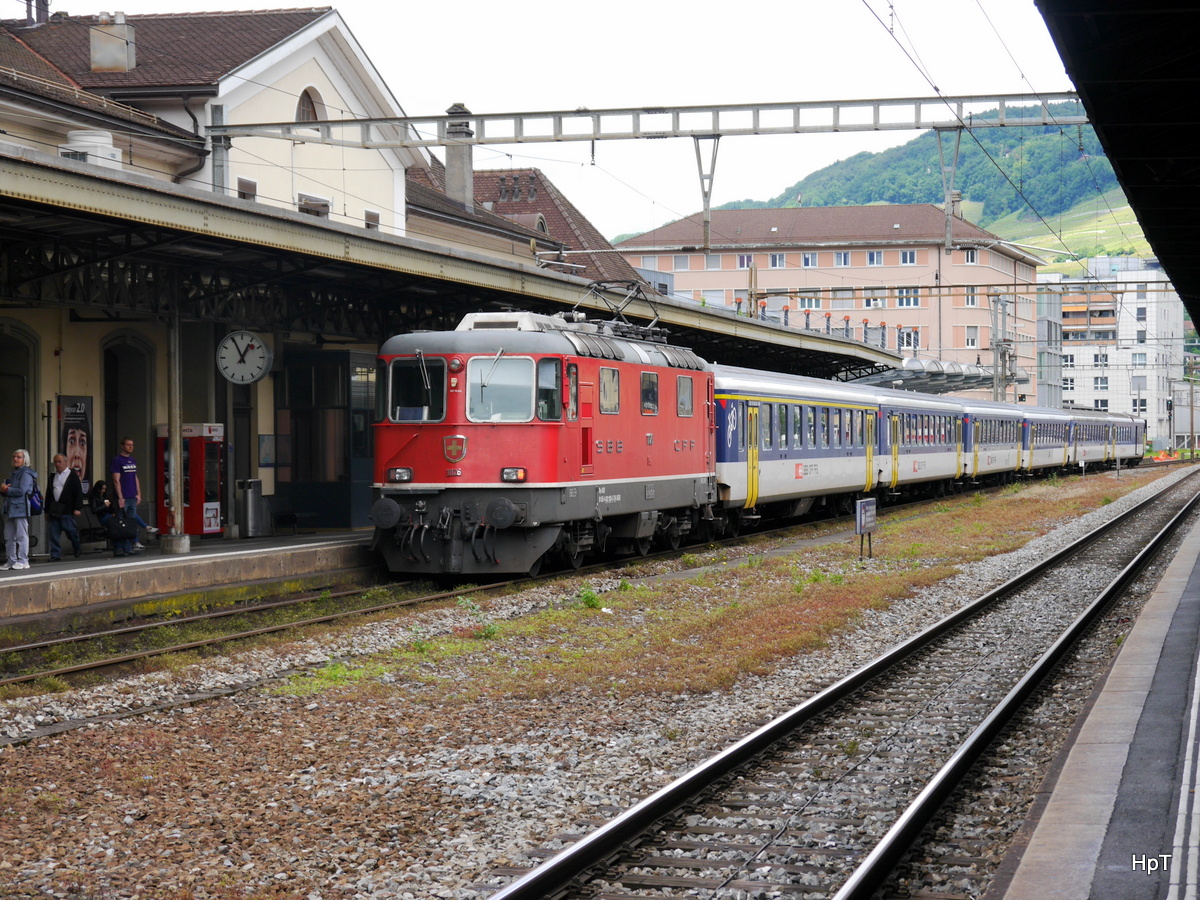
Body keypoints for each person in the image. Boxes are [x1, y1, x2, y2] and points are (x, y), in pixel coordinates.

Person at [110, 436, 158, 549]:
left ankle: (134, 543)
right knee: (123, 520)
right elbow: (116, 480)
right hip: (124, 496)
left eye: (132, 445)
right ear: (122, 446)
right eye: (128, 445)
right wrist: (120, 497)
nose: (131, 447)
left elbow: (135, 477)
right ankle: (124, 545)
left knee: (131, 521)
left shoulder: (132, 460)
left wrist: (139, 493)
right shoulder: (117, 460)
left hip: (132, 495)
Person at [1, 449, 37, 570]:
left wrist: (6, 490)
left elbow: (21, 491)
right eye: (14, 456)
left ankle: (23, 560)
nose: (15, 459)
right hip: (10, 507)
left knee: (21, 535)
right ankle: (11, 560)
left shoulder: (26, 473)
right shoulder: (14, 473)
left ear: (25, 460)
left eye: (19, 457)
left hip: (20, 507)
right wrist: (4, 490)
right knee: (8, 536)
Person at [46, 453, 84, 561]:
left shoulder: (72, 475)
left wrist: (77, 508)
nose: (57, 464)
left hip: (67, 509)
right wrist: (46, 510)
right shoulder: (52, 476)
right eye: (55, 462)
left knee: (71, 531)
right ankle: (55, 554)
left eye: (60, 461)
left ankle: (76, 546)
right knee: (54, 533)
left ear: (65, 462)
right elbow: (49, 494)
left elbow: (78, 492)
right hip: (54, 509)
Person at [90, 479, 133, 558]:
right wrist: (104, 506)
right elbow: (94, 510)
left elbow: (110, 509)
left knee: (122, 526)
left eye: (105, 489)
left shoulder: (103, 497)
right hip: (103, 517)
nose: (103, 491)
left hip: (109, 516)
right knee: (116, 528)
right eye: (102, 489)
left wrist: (111, 509)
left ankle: (127, 547)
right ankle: (119, 548)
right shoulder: (94, 498)